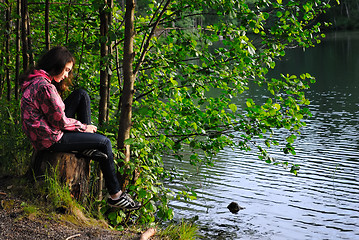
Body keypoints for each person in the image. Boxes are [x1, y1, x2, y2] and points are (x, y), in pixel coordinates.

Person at [20, 46, 140, 210]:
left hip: (45, 130)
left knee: (81, 94)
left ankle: (85, 147)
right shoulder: (45, 87)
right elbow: (60, 123)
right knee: (104, 143)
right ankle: (116, 196)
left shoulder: (36, 79)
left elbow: (55, 117)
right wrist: (84, 128)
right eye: (66, 70)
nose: (67, 75)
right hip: (49, 138)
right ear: (56, 65)